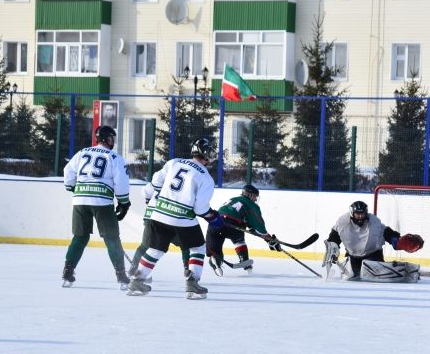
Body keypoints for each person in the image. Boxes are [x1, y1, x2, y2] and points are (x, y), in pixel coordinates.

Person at [126, 138, 222, 300]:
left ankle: (137, 281)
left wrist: (150, 197)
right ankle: (192, 284)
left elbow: (155, 183)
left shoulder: (174, 162)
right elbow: (200, 208)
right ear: (205, 154)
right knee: (197, 248)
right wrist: (213, 217)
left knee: (155, 250)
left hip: (159, 214)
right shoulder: (205, 177)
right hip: (182, 218)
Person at [61, 125, 131, 290]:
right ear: (107, 139)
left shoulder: (82, 153)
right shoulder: (114, 157)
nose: (113, 141)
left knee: (79, 237)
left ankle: (67, 272)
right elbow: (121, 181)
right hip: (102, 202)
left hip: (80, 200)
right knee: (111, 238)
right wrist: (124, 202)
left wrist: (74, 188)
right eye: (112, 138)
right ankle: (121, 276)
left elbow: (68, 172)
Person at [322, 200, 424, 281]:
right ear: (352, 213)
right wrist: (331, 251)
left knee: (370, 269)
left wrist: (397, 241)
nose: (360, 216)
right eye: (358, 214)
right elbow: (333, 240)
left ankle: (384, 270)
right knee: (351, 276)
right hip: (352, 256)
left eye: (362, 214)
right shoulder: (342, 223)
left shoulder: (374, 222)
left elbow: (387, 233)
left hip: (373, 255)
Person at [206, 184, 279, 276]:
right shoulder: (251, 205)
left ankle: (215, 260)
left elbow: (248, 223)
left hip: (215, 222)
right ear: (250, 195)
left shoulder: (233, 199)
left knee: (215, 248)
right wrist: (269, 239)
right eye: (255, 196)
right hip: (232, 224)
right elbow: (258, 225)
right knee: (239, 241)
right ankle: (245, 262)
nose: (256, 199)